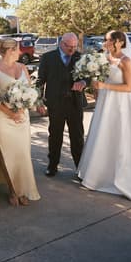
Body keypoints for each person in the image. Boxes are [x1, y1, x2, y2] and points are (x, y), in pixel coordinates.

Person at [77, 31, 131, 200]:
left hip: (120, 104)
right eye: (105, 39)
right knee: (103, 134)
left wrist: (104, 85)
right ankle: (98, 175)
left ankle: (130, 178)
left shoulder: (126, 61)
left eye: (108, 40)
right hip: (105, 102)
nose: (105, 42)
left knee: (121, 136)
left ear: (118, 42)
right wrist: (96, 87)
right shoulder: (104, 57)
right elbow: (101, 76)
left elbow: (128, 88)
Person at [0, 38, 41, 205]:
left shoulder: (22, 67)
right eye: (17, 49)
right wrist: (8, 111)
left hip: (22, 116)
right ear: (9, 50)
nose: (20, 51)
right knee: (8, 155)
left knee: (22, 154)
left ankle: (24, 190)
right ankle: (14, 190)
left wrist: (23, 107)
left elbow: (29, 91)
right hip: (3, 117)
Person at [37, 33, 87, 177]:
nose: (72, 49)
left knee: (77, 137)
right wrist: (39, 101)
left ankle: (80, 169)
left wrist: (83, 82)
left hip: (74, 103)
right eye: (69, 46)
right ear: (61, 43)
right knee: (55, 136)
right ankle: (52, 166)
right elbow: (40, 80)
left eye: (74, 46)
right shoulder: (48, 58)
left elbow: (88, 76)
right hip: (55, 104)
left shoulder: (80, 57)